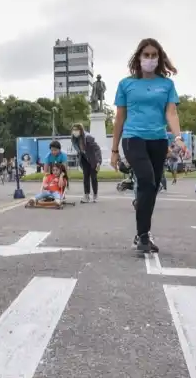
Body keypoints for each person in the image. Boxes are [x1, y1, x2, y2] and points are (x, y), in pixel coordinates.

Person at [110, 38, 186, 253]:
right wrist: (114, 150)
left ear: (159, 59)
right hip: (133, 138)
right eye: (147, 55)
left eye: (154, 55)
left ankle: (142, 234)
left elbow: (171, 112)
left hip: (158, 140)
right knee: (146, 179)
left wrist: (178, 137)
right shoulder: (126, 84)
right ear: (139, 57)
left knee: (152, 187)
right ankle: (142, 223)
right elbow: (119, 118)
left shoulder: (167, 85)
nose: (150, 59)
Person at [70, 123, 101, 203]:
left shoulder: (88, 138)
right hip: (84, 158)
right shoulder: (74, 139)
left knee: (93, 177)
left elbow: (97, 149)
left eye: (76, 130)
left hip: (92, 158)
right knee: (85, 177)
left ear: (81, 130)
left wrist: (98, 161)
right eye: (73, 130)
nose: (74, 132)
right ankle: (86, 195)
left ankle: (95, 195)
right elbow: (79, 150)